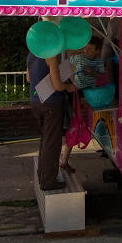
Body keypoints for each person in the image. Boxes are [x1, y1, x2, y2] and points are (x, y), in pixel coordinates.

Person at [27, 52, 76, 191]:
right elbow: (57, 86)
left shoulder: (32, 53)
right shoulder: (50, 56)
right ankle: (49, 181)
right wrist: (68, 87)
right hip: (51, 103)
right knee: (52, 143)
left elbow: (29, 78)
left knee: (45, 140)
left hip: (36, 101)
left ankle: (42, 175)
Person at [58, 36, 105, 173]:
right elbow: (62, 69)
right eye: (85, 48)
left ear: (97, 51)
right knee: (75, 126)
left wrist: (92, 72)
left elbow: (102, 77)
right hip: (77, 95)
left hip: (91, 96)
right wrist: (68, 80)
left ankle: (64, 159)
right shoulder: (78, 58)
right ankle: (64, 159)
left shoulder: (99, 62)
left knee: (82, 126)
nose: (86, 51)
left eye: (90, 49)